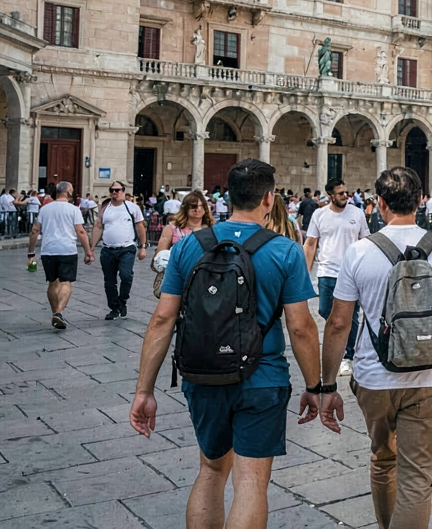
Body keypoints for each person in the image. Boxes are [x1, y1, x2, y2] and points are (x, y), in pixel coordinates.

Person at [130, 159, 322, 529]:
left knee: (210, 469)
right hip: (262, 377)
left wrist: (144, 390)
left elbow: (162, 319)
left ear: (228, 197)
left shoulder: (190, 246)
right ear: (269, 199)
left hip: (203, 375)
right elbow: (301, 328)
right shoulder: (285, 250)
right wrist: (316, 386)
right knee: (250, 481)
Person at [318, 166, 432, 529]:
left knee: (382, 462)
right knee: (417, 478)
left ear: (380, 203)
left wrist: (327, 386)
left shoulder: (359, 252)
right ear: (421, 201)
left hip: (374, 378)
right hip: (431, 378)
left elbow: (338, 323)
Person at [305, 178, 370, 377]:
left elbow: (365, 241)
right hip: (327, 271)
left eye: (346, 193)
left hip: (351, 272)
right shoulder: (319, 215)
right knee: (325, 310)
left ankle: (348, 355)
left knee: (352, 315)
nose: (345, 196)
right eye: (341, 193)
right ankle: (338, 340)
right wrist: (304, 274)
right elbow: (310, 244)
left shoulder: (357, 213)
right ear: (330, 195)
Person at [27, 181, 93, 329]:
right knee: (66, 282)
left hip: (48, 250)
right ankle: (59, 312)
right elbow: (80, 231)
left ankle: (55, 313)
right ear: (69, 192)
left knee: (52, 282)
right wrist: (88, 252)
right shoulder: (73, 209)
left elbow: (35, 230)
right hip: (67, 250)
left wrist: (31, 252)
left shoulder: (45, 209)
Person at [91, 180, 147, 320]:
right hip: (108, 249)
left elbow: (140, 226)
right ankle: (114, 308)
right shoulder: (105, 209)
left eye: (118, 190)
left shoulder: (132, 208)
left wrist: (142, 247)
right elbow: (98, 227)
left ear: (123, 191)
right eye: (112, 190)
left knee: (126, 276)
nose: (115, 192)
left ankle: (123, 300)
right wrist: (91, 248)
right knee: (109, 281)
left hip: (126, 248)